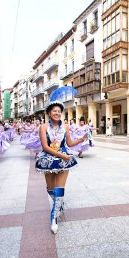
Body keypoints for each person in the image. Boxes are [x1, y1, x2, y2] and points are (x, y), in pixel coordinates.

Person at [36, 100, 87, 234]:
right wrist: (60, 155)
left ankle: (54, 218)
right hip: (48, 159)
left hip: (64, 160)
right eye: (54, 111)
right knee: (50, 189)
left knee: (59, 189)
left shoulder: (65, 126)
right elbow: (45, 147)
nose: (57, 113)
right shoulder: (43, 127)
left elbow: (69, 143)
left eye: (59, 111)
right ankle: (60, 205)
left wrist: (81, 139)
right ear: (49, 113)